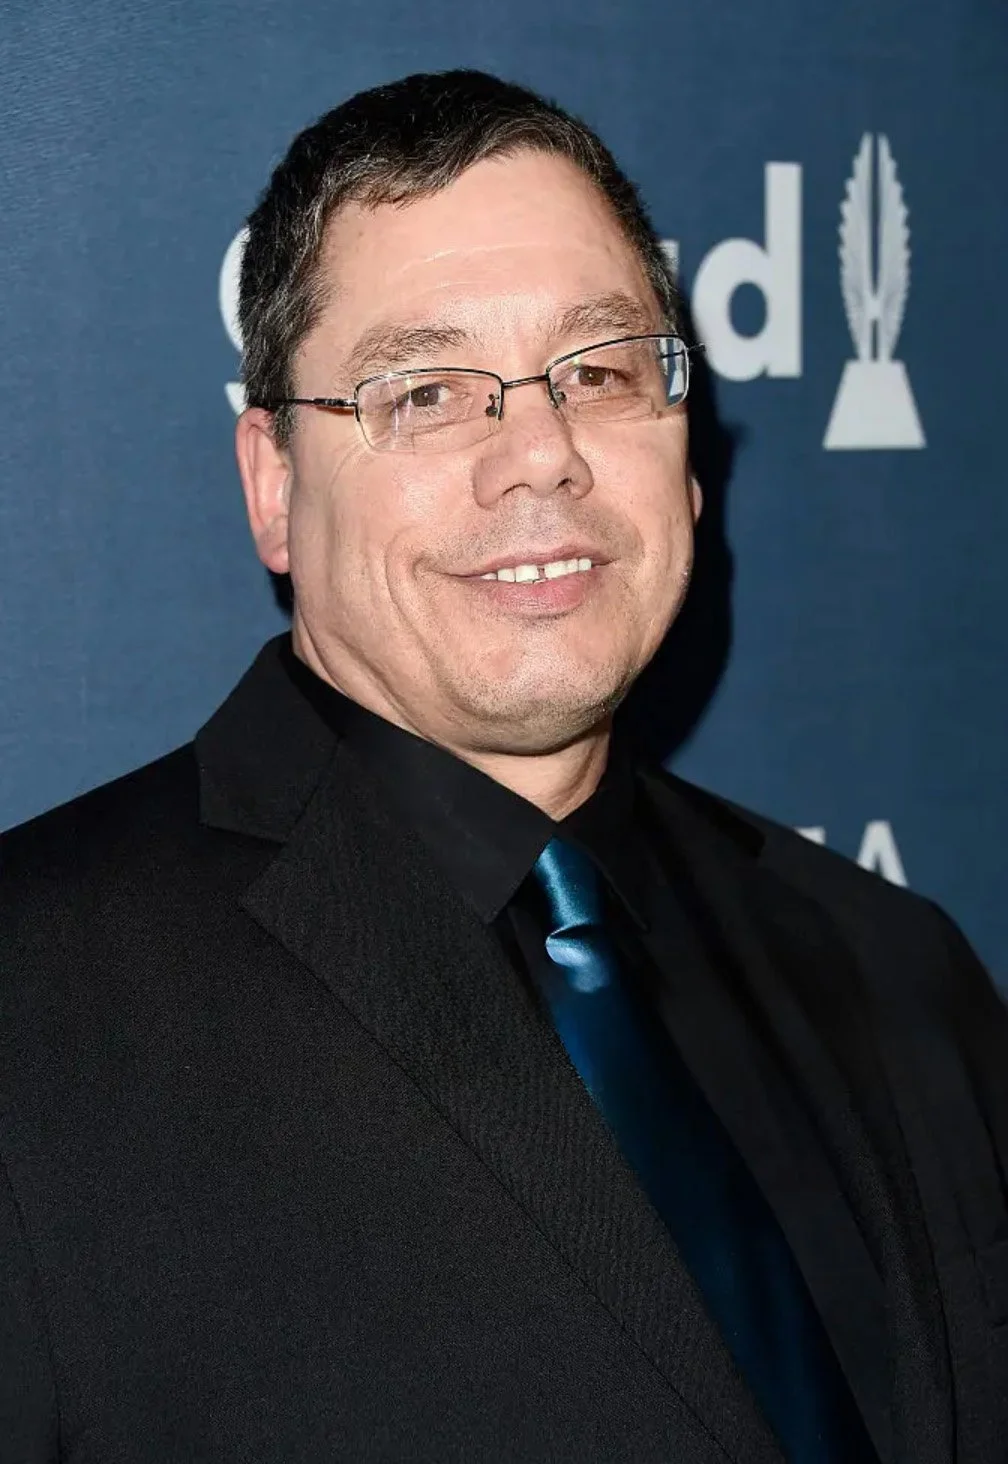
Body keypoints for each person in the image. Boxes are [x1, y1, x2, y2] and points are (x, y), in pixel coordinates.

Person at [0, 69, 1005, 1464]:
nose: (541, 456)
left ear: (690, 459)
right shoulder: (34, 1011)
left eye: (599, 371)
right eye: (426, 392)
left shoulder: (902, 970)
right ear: (274, 486)